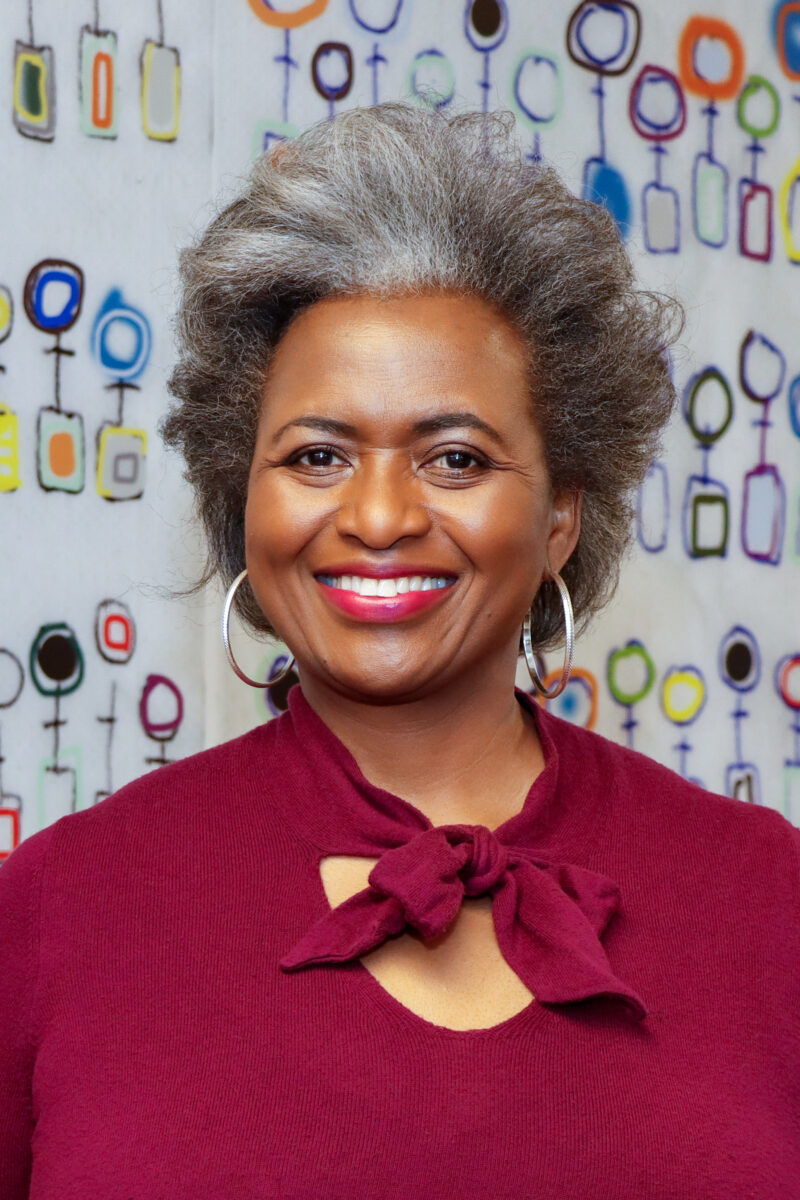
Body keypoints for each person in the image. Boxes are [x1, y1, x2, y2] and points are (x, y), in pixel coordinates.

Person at [1, 102, 798, 1198]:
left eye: (456, 459)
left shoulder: (765, 899)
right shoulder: (56, 909)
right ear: (245, 497)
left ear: (560, 514)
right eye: (317, 455)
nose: (377, 516)